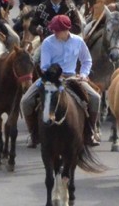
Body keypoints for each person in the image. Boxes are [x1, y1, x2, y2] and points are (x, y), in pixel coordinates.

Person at [20, 15, 101, 146]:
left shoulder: (78, 41)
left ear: (66, 29)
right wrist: (55, 75)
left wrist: (83, 74)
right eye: (54, 30)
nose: (55, 32)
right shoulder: (48, 42)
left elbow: (87, 60)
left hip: (72, 77)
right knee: (26, 101)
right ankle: (33, 134)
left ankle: (90, 132)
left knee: (96, 98)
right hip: (50, 77)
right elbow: (44, 66)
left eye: (58, 30)